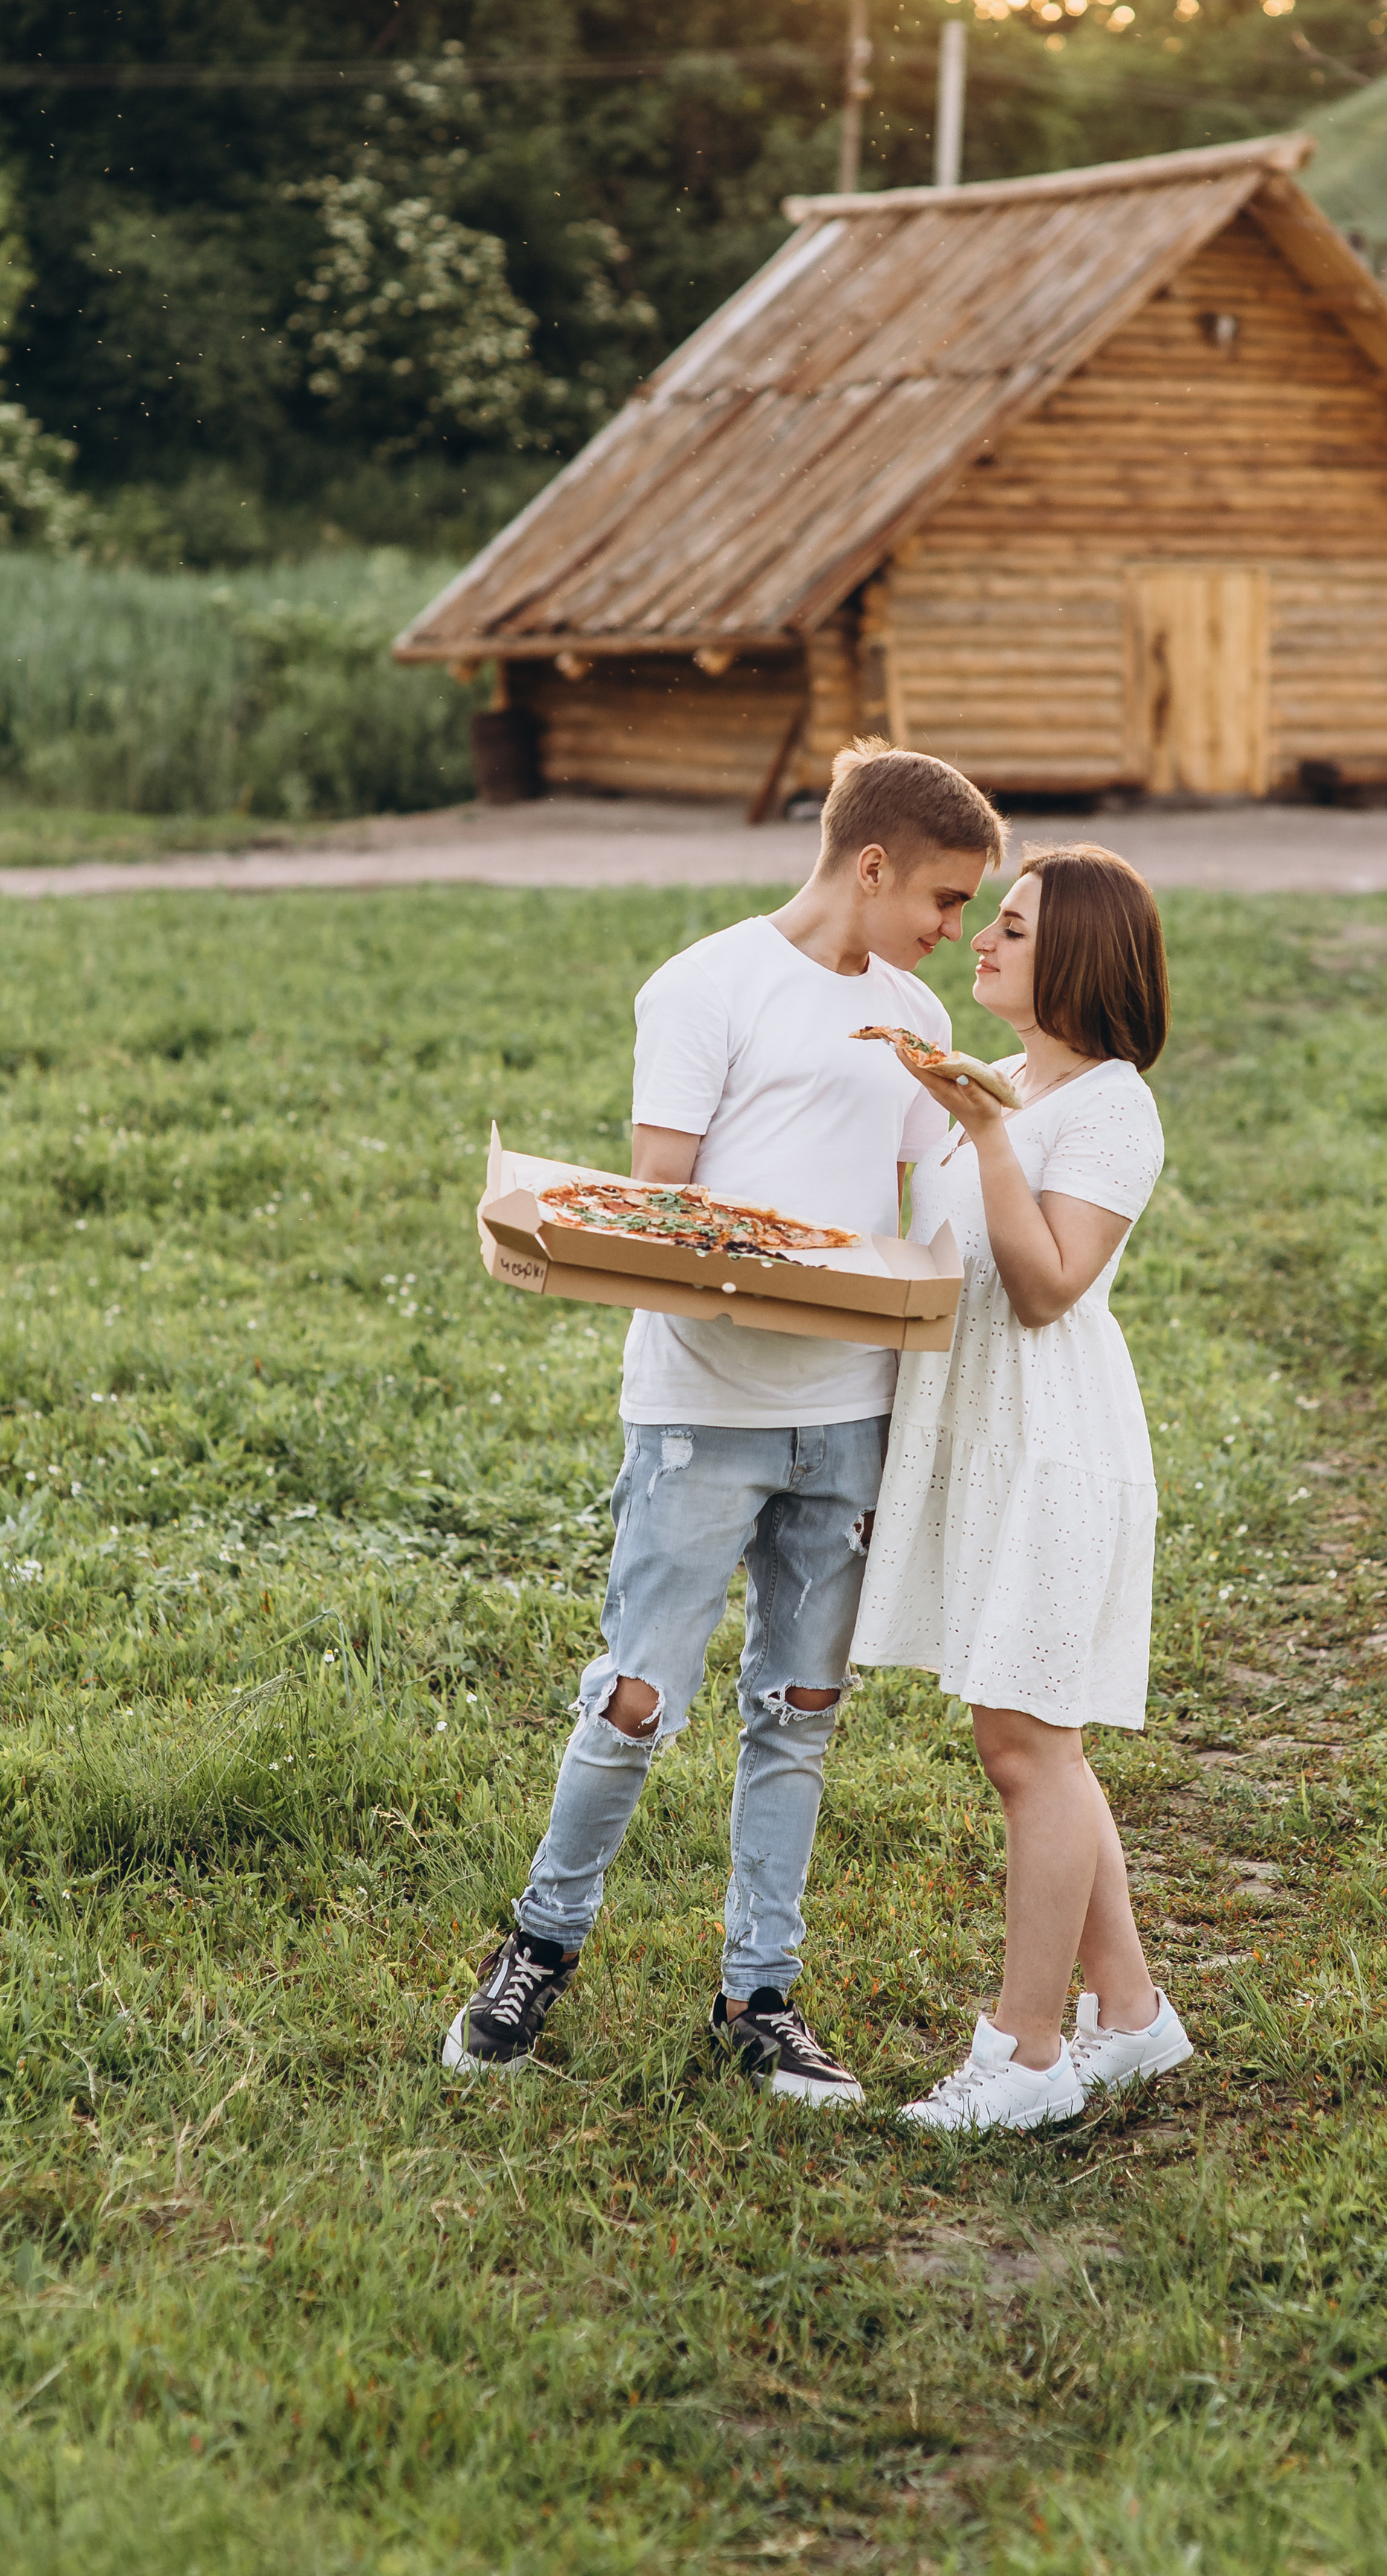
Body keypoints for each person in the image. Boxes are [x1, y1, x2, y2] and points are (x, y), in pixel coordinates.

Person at [443, 741, 1008, 2104]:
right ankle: (537, 1951)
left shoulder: (915, 1017)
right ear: (870, 864)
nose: (953, 927)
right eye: (943, 897)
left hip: (848, 1414)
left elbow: (907, 1213)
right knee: (636, 1698)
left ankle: (760, 1998)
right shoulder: (705, 986)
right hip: (704, 1405)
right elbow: (665, 1211)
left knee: (800, 1710)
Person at [851, 843, 1194, 2132]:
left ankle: (1029, 2050)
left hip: (1055, 1445)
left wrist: (990, 1131)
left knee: (1027, 1744)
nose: (980, 941)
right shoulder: (999, 1081)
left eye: (1011, 925)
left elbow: (1048, 1286)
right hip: (982, 1438)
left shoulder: (1110, 1106)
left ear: (1080, 957)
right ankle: (1134, 2014)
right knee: (1036, 1738)